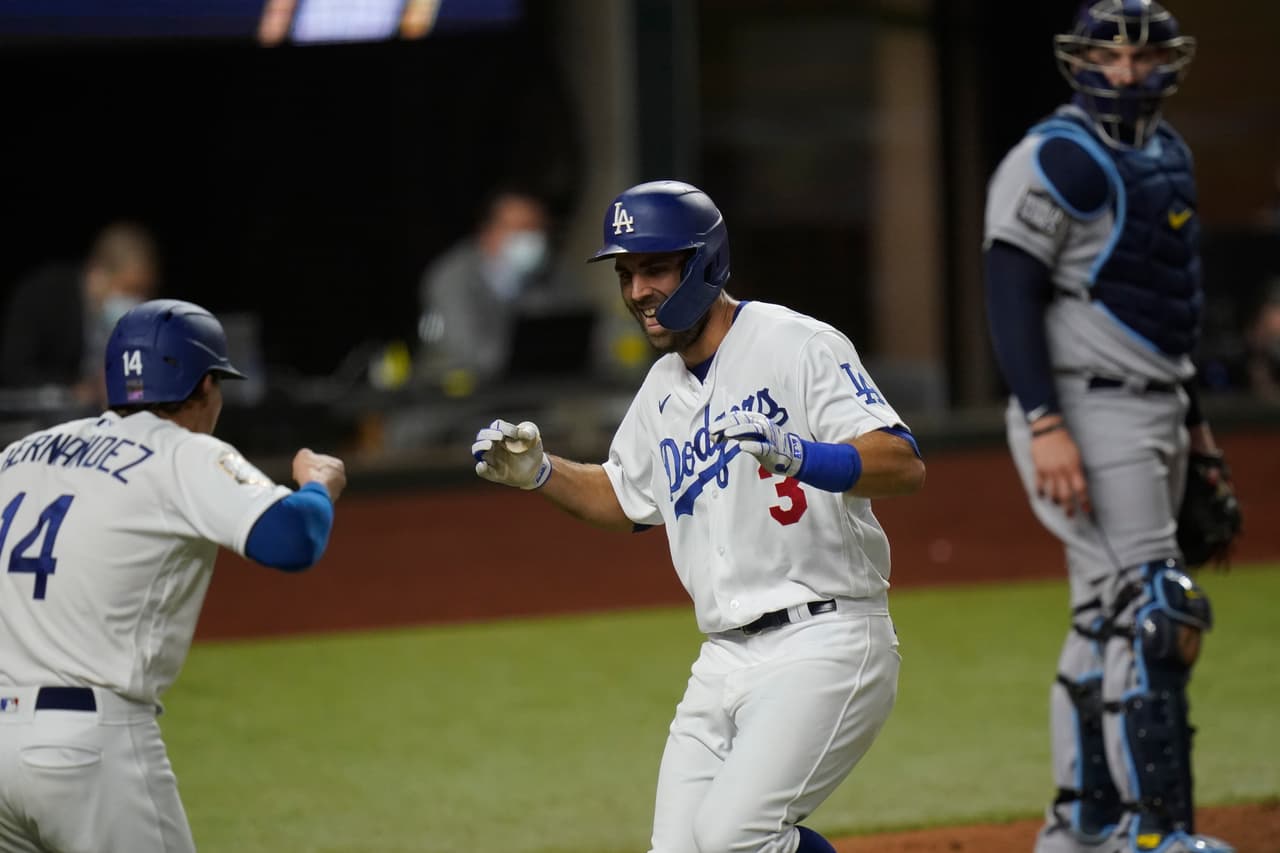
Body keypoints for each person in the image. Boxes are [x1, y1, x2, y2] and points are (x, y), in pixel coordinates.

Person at [471, 180, 925, 853]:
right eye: (626, 274)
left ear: (706, 261)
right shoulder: (662, 391)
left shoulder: (796, 344)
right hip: (723, 657)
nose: (637, 292)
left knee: (734, 838)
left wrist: (802, 454)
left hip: (825, 640)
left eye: (654, 268)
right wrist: (541, 472)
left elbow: (901, 461)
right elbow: (625, 496)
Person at [982, 3, 1236, 852]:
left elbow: (1171, 307)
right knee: (1157, 609)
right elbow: (1008, 291)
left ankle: (1081, 825)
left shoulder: (1168, 153)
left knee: (1106, 611)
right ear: (1078, 60)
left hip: (1154, 402)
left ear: (1173, 62)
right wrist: (1046, 420)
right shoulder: (1056, 158)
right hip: (1087, 409)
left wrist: (1196, 427)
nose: (1127, 74)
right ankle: (1156, 832)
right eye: (1109, 55)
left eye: (1144, 57)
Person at [0, 298, 346, 852]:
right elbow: (293, 539)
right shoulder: (180, 453)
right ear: (206, 385)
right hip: (88, 748)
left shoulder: (20, 454)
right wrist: (317, 484)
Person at [416, 186, 589, 394]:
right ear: (488, 233)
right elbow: (471, 355)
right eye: (519, 228)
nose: (530, 239)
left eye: (537, 229)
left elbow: (572, 339)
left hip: (525, 404)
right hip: (454, 403)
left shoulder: (552, 275)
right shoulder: (452, 277)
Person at [0, 220, 160, 408]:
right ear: (97, 274)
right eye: (129, 289)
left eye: (143, 292)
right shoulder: (46, 295)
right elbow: (13, 369)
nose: (135, 300)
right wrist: (74, 390)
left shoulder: (134, 324)